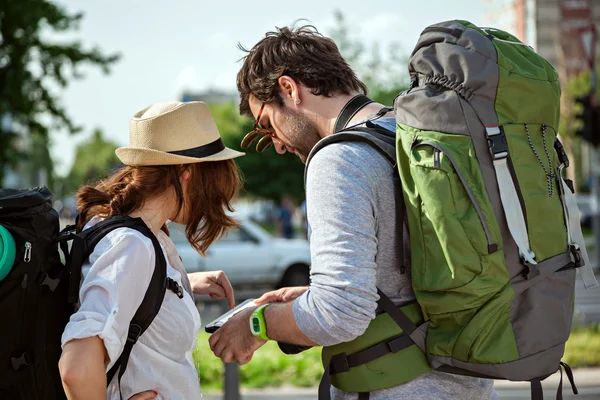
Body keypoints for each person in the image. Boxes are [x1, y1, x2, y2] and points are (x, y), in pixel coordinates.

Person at [208, 25, 498, 399]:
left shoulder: (338, 159)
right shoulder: (415, 132)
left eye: (267, 125)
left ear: (289, 89)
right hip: (470, 385)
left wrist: (256, 323)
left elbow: (340, 313)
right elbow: (415, 276)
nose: (277, 146)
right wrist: (312, 298)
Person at [59, 101, 244, 400]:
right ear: (187, 173)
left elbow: (128, 298)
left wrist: (180, 284)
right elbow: (76, 368)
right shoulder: (132, 246)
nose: (217, 194)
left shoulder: (136, 235)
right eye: (214, 177)